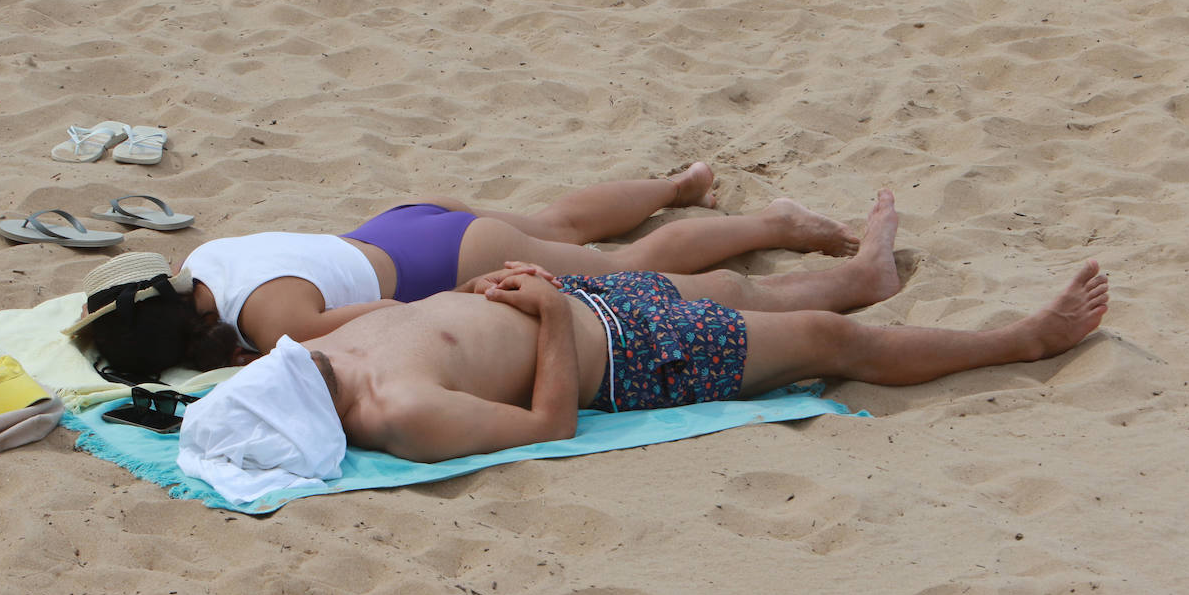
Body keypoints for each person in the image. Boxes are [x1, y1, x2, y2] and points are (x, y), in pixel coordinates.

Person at [174, 191, 1109, 494]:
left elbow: (425, 319)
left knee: (744, 289)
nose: (307, 356)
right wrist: (541, 316)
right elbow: (551, 425)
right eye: (302, 372)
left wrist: (483, 292)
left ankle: (869, 273)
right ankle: (1020, 342)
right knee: (825, 341)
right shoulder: (402, 415)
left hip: (572, 301)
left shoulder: (323, 357)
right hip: (623, 358)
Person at [67, 163, 863, 380]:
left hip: (443, 262)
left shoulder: (273, 322)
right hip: (404, 222)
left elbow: (377, 322)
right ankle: (681, 185)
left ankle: (774, 225)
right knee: (563, 223)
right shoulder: (201, 260)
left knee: (627, 268)